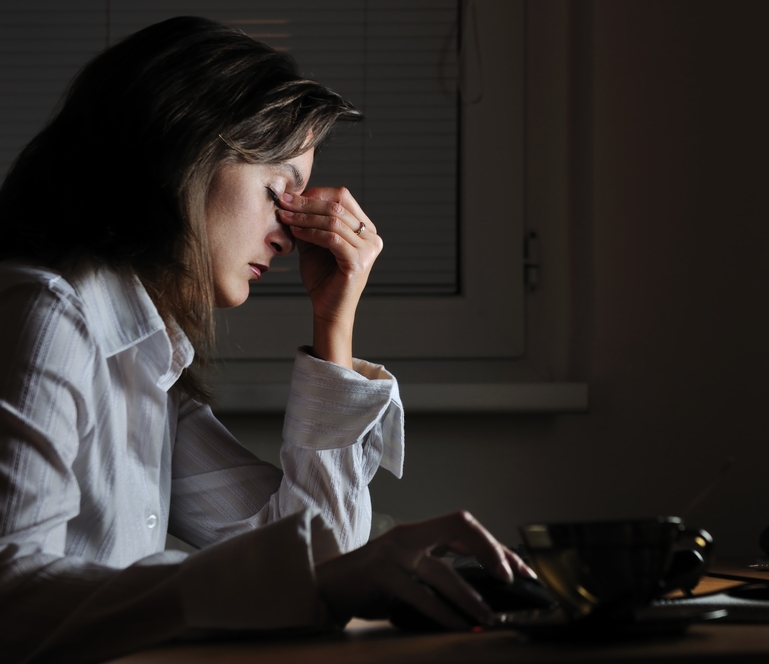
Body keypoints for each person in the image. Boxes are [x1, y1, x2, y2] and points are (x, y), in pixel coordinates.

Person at [0, 16, 532, 664]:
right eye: (279, 191)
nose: (289, 234)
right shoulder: (46, 315)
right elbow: (11, 598)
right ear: (184, 151)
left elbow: (320, 555)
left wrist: (333, 324)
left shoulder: (145, 362)